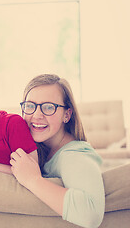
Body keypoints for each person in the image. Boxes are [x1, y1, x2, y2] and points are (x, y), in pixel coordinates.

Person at [10, 74, 105, 228]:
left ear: (66, 115)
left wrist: (32, 180)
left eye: (48, 107)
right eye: (30, 105)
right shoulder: (41, 150)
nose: (37, 115)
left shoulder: (74, 155)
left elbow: (91, 215)